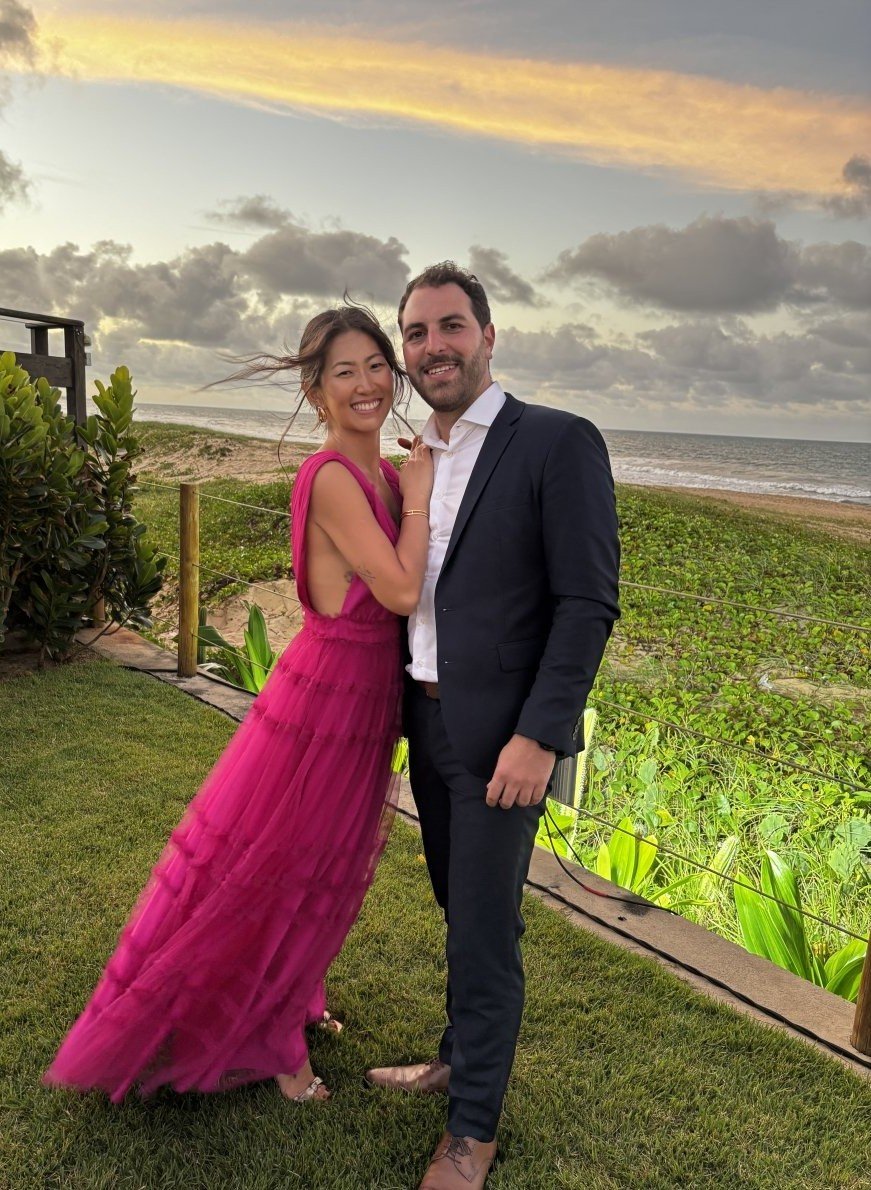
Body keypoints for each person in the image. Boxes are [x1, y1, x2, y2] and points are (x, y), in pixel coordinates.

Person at [44, 305, 433, 1104]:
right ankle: (276, 1045)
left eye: (375, 365)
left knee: (321, 867)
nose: (365, 383)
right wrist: (426, 495)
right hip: (324, 704)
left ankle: (293, 996)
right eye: (344, 372)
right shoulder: (333, 477)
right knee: (284, 869)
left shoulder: (385, 476)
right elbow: (399, 590)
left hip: (364, 702)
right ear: (316, 392)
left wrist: (420, 483)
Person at [365, 264, 620, 1189]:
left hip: (504, 740)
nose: (433, 346)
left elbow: (586, 602)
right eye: (416, 332)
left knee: (480, 931)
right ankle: (455, 1056)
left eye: (450, 326)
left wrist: (540, 736)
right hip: (426, 723)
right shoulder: (417, 461)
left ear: (487, 335)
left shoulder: (554, 440)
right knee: (459, 905)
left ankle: (471, 1132)